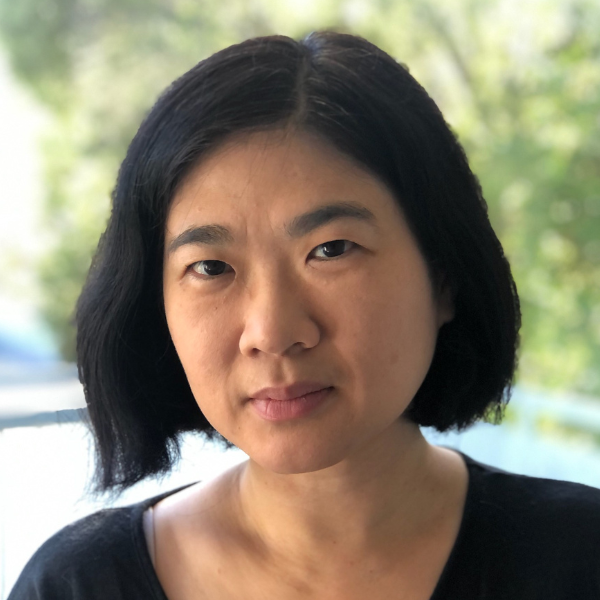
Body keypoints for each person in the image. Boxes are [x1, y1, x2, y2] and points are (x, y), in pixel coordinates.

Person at [8, 31, 600, 600]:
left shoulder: (581, 559)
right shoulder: (74, 586)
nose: (272, 332)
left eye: (332, 250)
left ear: (444, 277)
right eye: (211, 267)